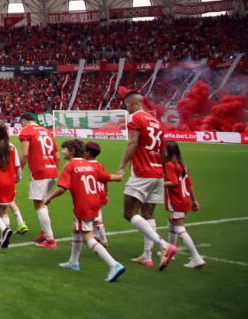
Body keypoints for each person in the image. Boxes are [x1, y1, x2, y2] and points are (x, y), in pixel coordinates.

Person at [44, 139, 125, 282]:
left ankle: (114, 265)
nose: (62, 151)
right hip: (95, 203)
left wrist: (49, 198)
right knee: (75, 229)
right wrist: (119, 176)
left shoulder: (70, 166)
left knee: (88, 237)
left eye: (65, 149)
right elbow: (107, 177)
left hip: (83, 205)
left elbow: (63, 187)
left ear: (72, 151)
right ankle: (73, 262)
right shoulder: (90, 165)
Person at [115, 91, 178, 270]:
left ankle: (165, 246)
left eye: (127, 105)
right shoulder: (157, 122)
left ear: (132, 103)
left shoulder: (135, 118)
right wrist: (160, 169)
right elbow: (164, 153)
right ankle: (147, 256)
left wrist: (121, 166)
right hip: (158, 173)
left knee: (129, 213)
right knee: (148, 214)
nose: (126, 108)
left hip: (142, 173)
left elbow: (133, 143)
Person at [18, 113, 59, 249]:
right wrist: (54, 171)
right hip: (52, 170)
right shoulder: (47, 131)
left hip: (40, 171)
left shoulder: (26, 130)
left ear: (24, 121)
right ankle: (43, 233)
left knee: (39, 204)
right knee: (43, 202)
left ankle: (50, 239)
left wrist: (17, 172)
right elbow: (57, 156)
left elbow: (24, 154)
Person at [163, 141, 205, 269]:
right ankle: (171, 252)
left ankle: (196, 257)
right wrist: (194, 200)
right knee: (171, 223)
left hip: (176, 201)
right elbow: (189, 184)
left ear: (168, 152)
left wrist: (158, 183)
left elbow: (174, 182)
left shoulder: (170, 165)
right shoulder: (182, 165)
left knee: (180, 230)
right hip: (185, 199)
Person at [83, 142, 109, 247]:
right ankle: (96, 236)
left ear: (88, 153)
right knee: (95, 216)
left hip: (93, 195)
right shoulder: (100, 165)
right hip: (101, 194)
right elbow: (105, 180)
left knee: (97, 218)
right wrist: (106, 193)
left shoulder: (86, 166)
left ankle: (103, 240)